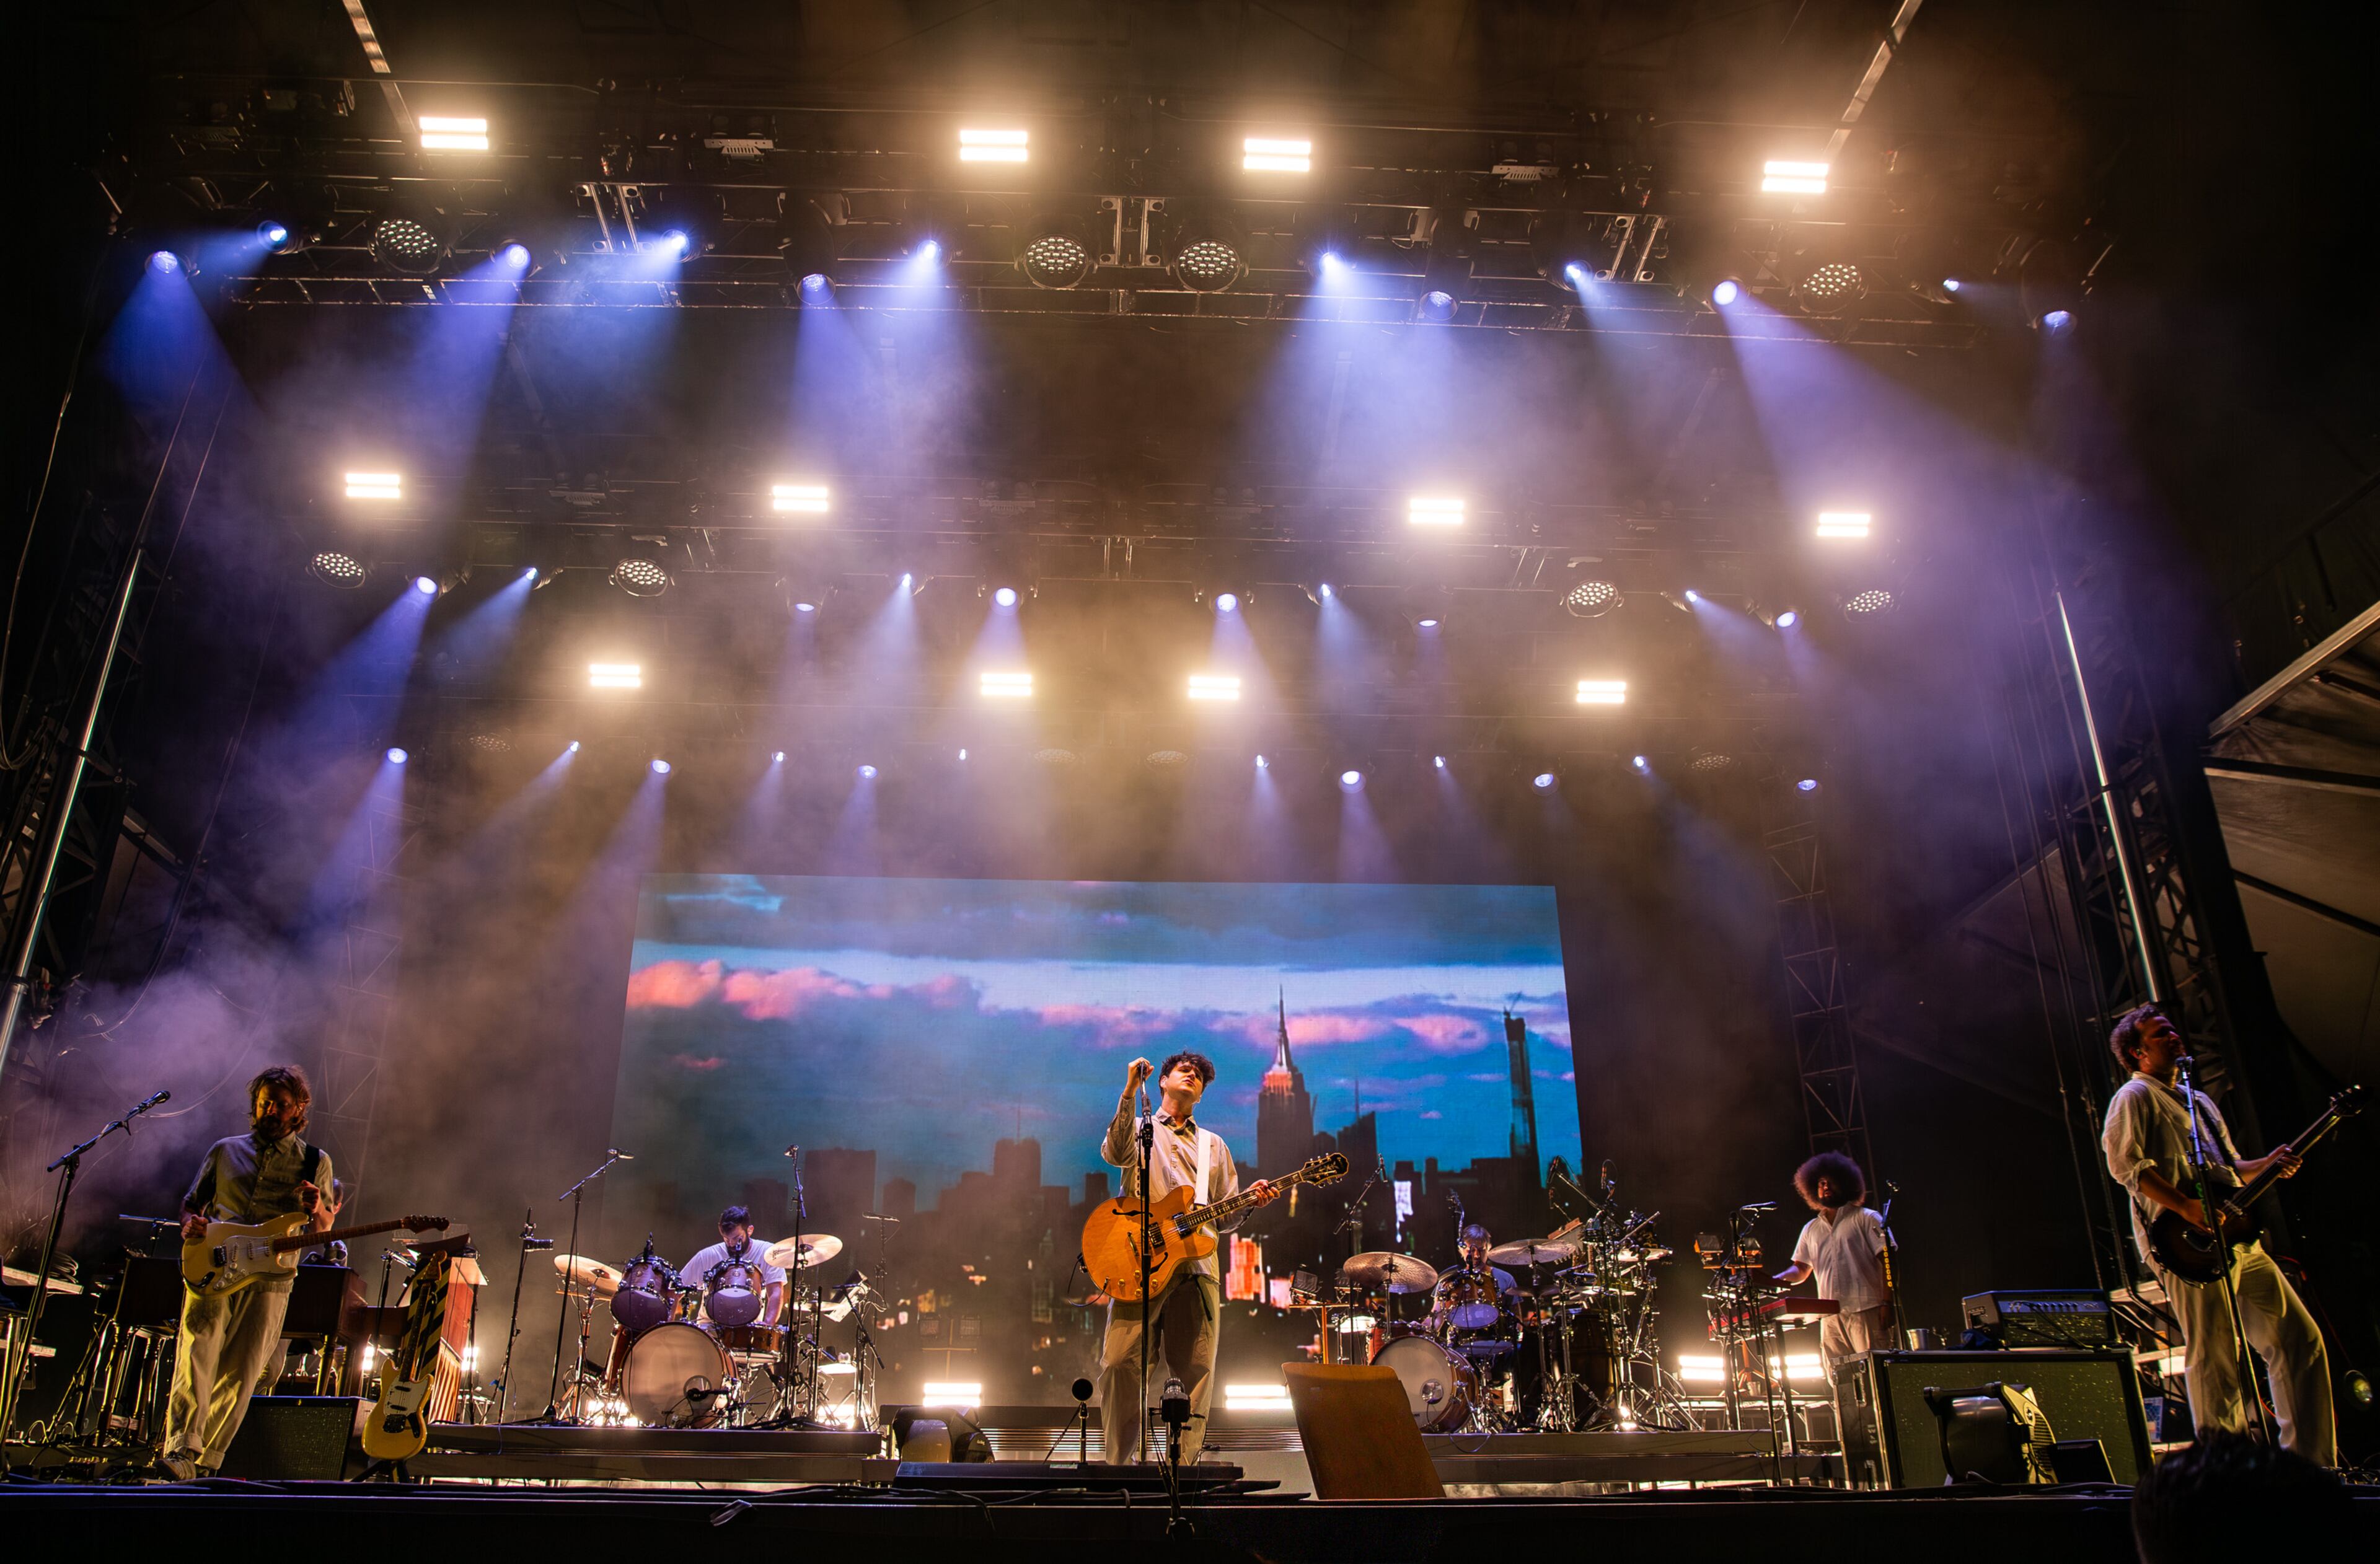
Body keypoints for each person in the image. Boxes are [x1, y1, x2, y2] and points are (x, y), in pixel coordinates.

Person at [2100, 1004, 2334, 1464]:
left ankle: (2311, 1466)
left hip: (2238, 1242)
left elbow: (2228, 1170)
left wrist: (2267, 1164)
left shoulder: (2198, 1100)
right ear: (2137, 1052)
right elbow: (2125, 1164)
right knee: (2215, 1356)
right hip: (2184, 1246)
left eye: (2172, 1030)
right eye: (2160, 1033)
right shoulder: (2134, 1097)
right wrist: (2186, 1206)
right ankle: (2223, 1475)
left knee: (2299, 1340)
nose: (2173, 1036)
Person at [1098, 1051, 1277, 1463]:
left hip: (1197, 1270)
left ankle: (1182, 1471)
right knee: (1120, 1362)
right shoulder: (1141, 1129)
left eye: (1200, 1076)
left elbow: (1226, 1215)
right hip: (1138, 1266)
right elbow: (1114, 1151)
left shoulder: (1214, 1146)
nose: (1193, 1075)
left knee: (1196, 1373)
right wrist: (1129, 1089)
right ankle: (1118, 1469)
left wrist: (1251, 1202)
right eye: (1184, 1070)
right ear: (1161, 1081)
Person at [162, 1065, 337, 1478]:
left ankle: (206, 1463)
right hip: (213, 1267)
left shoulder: (315, 1162)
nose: (271, 1111)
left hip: (270, 1280)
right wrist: (190, 1225)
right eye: (264, 1104)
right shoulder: (225, 1150)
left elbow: (323, 1229)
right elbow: (191, 1204)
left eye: (281, 1104)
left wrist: (315, 1210)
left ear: (299, 1109)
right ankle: (182, 1451)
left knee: (242, 1373)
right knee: (195, 1354)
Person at [1772, 1150, 1892, 1373]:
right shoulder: (1811, 1229)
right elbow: (1800, 1269)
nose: (1825, 1186)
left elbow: (1888, 1262)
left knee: (1875, 1379)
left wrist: (1888, 1303)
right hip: (1829, 1316)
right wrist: (1774, 1281)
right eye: (1820, 1182)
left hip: (1867, 1310)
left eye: (1831, 1181)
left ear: (1846, 1182)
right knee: (1840, 1382)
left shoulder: (1867, 1218)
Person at [680, 1205, 785, 1328]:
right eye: (726, 1239)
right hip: (709, 1328)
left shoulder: (768, 1252)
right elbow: (677, 1289)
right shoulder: (707, 1255)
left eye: (737, 1238)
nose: (731, 1244)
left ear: (750, 1230)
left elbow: (776, 1292)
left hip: (749, 1330)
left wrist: (768, 1325)